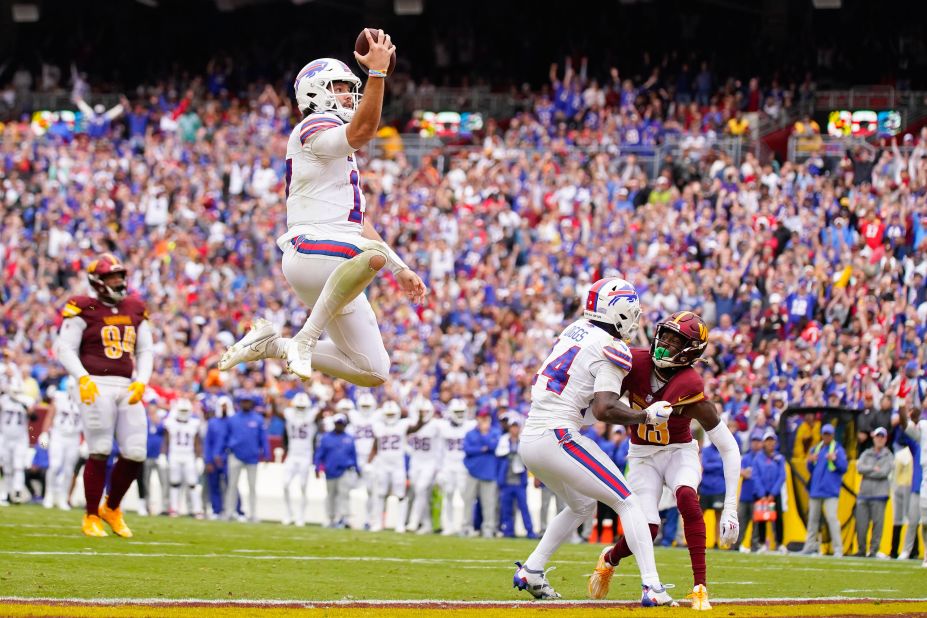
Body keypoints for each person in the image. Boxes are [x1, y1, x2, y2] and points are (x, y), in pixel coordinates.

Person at [218, 31, 427, 388]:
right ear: (315, 92)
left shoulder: (333, 142)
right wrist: (376, 74)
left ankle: (273, 344)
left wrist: (401, 268)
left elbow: (356, 222)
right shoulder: (314, 124)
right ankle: (305, 337)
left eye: (350, 87)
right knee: (372, 256)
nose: (348, 94)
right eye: (340, 87)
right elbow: (362, 131)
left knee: (373, 370)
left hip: (337, 256)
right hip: (312, 250)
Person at [516, 277, 675, 605]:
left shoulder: (576, 329)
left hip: (533, 436)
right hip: (558, 435)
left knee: (582, 505)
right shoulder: (612, 347)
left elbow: (585, 400)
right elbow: (603, 409)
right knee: (628, 501)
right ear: (621, 312)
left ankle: (532, 569)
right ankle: (653, 587)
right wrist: (645, 416)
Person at [589, 311, 741, 611]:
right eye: (666, 335)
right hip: (642, 455)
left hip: (678, 451)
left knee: (686, 496)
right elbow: (603, 401)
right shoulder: (635, 362)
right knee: (649, 528)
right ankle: (610, 558)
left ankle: (700, 587)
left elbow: (729, 447)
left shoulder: (691, 386)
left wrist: (731, 508)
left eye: (675, 341)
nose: (665, 344)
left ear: (691, 351)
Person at [52, 254, 153, 537]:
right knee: (99, 449)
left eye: (120, 276)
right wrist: (81, 377)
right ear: (98, 281)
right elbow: (65, 348)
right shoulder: (84, 306)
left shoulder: (134, 306)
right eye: (112, 277)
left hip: (126, 383)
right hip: (95, 383)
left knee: (136, 452)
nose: (118, 282)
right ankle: (91, 515)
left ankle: (112, 507)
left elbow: (146, 350)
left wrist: (142, 381)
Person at [367, 400, 426, 532]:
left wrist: (421, 417)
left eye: (392, 414)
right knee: (381, 494)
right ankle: (378, 523)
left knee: (400, 495)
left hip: (397, 465)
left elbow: (416, 427)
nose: (390, 416)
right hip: (382, 464)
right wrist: (369, 462)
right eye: (387, 414)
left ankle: (399, 524)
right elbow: (375, 446)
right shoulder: (378, 426)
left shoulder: (402, 425)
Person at [800, 423, 848, 557]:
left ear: (832, 436)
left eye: (829, 434)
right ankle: (809, 546)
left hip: (830, 491)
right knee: (812, 520)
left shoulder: (838, 450)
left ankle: (838, 548)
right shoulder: (816, 449)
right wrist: (809, 461)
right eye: (825, 434)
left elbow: (844, 468)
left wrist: (836, 460)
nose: (826, 436)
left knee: (832, 519)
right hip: (816, 490)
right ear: (822, 435)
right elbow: (811, 470)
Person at [223, 392, 269, 522]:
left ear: (252, 403)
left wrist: (266, 454)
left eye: (248, 401)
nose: (245, 403)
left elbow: (263, 438)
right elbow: (226, 437)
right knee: (232, 485)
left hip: (252, 457)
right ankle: (229, 512)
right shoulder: (233, 419)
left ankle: (253, 513)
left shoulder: (258, 419)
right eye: (243, 401)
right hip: (235, 455)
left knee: (252, 487)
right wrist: (227, 449)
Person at [41, 379, 83, 510]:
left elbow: (87, 422)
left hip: (74, 437)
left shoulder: (83, 400)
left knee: (69, 469)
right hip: (58, 435)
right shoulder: (59, 398)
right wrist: (44, 433)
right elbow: (49, 416)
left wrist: (85, 440)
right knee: (55, 465)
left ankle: (63, 497)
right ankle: (49, 495)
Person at [403, 398, 441, 534]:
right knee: (419, 491)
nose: (423, 414)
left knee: (421, 489)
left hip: (429, 462)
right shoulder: (410, 423)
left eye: (425, 411)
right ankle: (426, 523)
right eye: (421, 411)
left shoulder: (436, 425)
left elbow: (442, 446)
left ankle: (413, 522)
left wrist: (439, 465)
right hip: (416, 461)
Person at [854, 426, 893, 558]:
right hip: (864, 493)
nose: (880, 439)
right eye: (878, 436)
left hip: (879, 494)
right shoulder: (866, 453)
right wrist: (873, 468)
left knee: (877, 525)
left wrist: (869, 470)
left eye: (882, 437)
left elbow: (883, 472)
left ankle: (873, 551)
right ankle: (861, 549)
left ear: (886, 439)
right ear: (874, 437)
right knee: (861, 524)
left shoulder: (888, 455)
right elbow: (859, 467)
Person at [163, 398, 205, 518]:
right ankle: (174, 508)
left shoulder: (194, 423)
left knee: (193, 483)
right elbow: (166, 440)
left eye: (185, 410)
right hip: (174, 454)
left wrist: (199, 458)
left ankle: (197, 509)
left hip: (188, 455)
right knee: (174, 483)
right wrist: (162, 455)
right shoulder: (170, 423)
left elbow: (197, 442)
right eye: (181, 410)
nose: (183, 413)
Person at [281, 393, 318, 526]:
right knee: (285, 484)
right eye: (299, 407)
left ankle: (301, 516)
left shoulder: (312, 415)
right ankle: (288, 513)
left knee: (303, 486)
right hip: (292, 455)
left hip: (305, 455)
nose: (301, 409)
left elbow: (320, 411)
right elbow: (278, 411)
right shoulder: (289, 414)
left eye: (303, 407)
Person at [463, 409, 501, 538]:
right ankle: (466, 527)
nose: (483, 421)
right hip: (472, 471)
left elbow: (493, 446)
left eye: (486, 418)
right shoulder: (470, 433)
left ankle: (488, 529)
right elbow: (467, 449)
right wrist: (482, 448)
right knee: (468, 500)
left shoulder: (495, 431)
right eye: (481, 418)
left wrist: (484, 434)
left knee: (489, 503)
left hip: (489, 472)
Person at [314, 413, 357, 528]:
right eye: (338, 424)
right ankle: (330, 518)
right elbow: (319, 454)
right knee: (331, 495)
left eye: (341, 424)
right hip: (330, 471)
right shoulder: (326, 438)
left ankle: (344, 518)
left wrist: (356, 468)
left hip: (345, 470)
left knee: (344, 494)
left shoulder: (349, 438)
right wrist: (317, 467)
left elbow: (353, 455)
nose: (339, 426)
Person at [496, 415, 535, 538]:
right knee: (506, 509)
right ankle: (509, 531)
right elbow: (499, 454)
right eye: (512, 427)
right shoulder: (504, 440)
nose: (514, 429)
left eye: (516, 427)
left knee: (524, 507)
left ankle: (530, 531)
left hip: (519, 481)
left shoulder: (523, 440)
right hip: (506, 480)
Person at [438, 398, 472, 536]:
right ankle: (449, 525)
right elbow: (439, 450)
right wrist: (439, 469)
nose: (459, 414)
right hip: (448, 465)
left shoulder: (470, 425)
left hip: (463, 466)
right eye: (457, 412)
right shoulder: (443, 427)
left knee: (466, 496)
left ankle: (465, 525)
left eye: (462, 411)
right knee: (448, 495)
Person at [899, 406, 927, 568]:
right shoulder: (924, 426)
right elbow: (907, 426)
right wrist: (904, 410)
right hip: (925, 478)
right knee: (925, 521)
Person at [346, 393, 378, 529]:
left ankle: (369, 519)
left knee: (371, 490)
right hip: (356, 458)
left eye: (367, 406)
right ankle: (346, 517)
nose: (365, 408)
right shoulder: (353, 417)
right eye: (363, 406)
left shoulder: (378, 417)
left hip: (372, 459)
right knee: (347, 488)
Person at [753, 428, 787, 553]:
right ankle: (762, 543)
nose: (770, 443)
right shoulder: (758, 458)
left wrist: (773, 493)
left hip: (774, 493)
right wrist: (762, 494)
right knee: (761, 519)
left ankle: (780, 543)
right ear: (764, 443)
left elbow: (782, 476)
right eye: (768, 440)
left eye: (772, 440)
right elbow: (755, 476)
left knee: (778, 518)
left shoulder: (779, 458)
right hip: (762, 494)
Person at [0, 384, 34, 504]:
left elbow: (34, 417)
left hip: (20, 439)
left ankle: (18, 493)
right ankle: (8, 493)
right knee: (7, 467)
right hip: (5, 437)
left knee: (18, 466)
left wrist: (26, 408)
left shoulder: (27, 401)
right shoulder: (3, 400)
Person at [204, 396, 233, 519]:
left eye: (226, 405)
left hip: (228, 459)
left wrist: (224, 456)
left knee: (232, 485)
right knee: (213, 485)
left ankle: (235, 510)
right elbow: (208, 443)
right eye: (222, 406)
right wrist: (209, 460)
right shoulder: (212, 422)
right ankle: (216, 510)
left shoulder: (233, 422)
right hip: (214, 459)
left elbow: (234, 441)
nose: (224, 408)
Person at [735, 431, 764, 553]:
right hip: (745, 495)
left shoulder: (763, 458)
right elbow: (741, 471)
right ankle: (736, 545)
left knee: (757, 522)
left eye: (758, 441)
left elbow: (754, 474)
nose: (756, 443)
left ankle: (755, 545)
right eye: (754, 441)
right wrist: (746, 472)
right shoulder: (746, 457)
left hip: (757, 495)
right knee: (741, 521)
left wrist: (748, 473)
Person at [698, 440, 725, 549]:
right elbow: (705, 465)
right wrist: (719, 464)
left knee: (718, 517)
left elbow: (726, 466)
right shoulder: (706, 450)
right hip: (705, 488)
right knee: (699, 517)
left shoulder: (724, 449)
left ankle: (716, 542)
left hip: (719, 489)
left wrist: (712, 464)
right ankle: (697, 540)